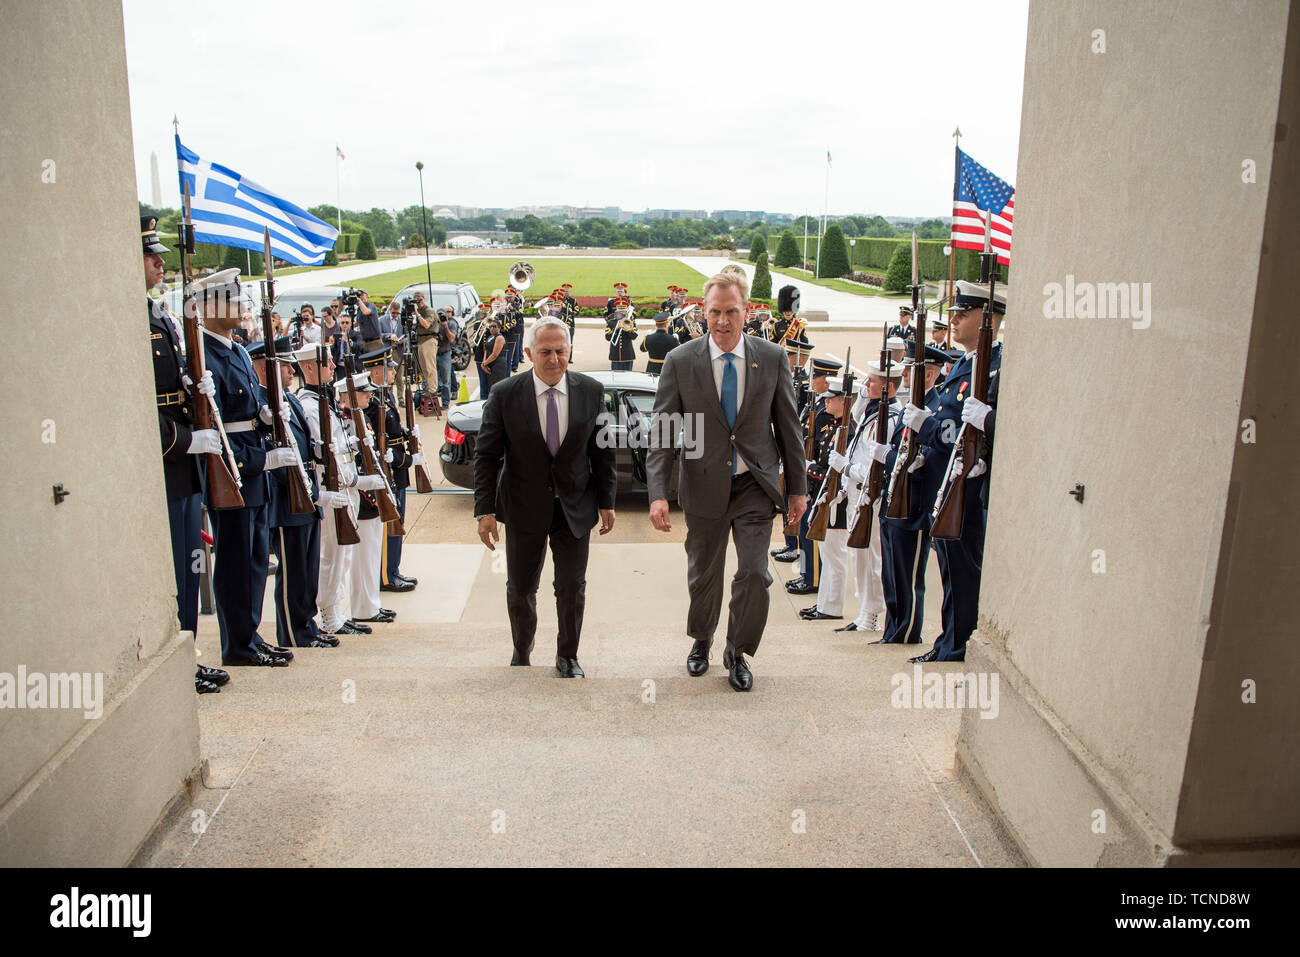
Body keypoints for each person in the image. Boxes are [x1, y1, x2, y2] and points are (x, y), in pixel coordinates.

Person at [646, 270, 807, 692]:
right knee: (704, 575)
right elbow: (663, 432)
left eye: (731, 312)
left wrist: (798, 490)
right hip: (702, 484)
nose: (722, 321)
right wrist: (658, 494)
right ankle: (702, 638)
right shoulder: (681, 361)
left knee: (755, 574)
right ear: (704, 311)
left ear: (747, 311)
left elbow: (789, 428)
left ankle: (737, 652)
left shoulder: (772, 357)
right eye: (714, 312)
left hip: (755, 483)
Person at [473, 317, 617, 677]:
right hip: (523, 508)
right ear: (528, 353)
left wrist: (607, 501)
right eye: (545, 352)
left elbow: (603, 451)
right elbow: (486, 456)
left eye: (560, 351)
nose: (554, 359)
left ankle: (568, 656)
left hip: (575, 507)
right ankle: (522, 648)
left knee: (571, 588)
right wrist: (484, 511)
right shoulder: (505, 394)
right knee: (521, 589)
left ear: (570, 351)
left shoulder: (591, 390)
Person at [142, 217, 229, 694]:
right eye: (151, 256)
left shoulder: (160, 314)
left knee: (189, 565)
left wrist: (194, 389)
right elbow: (134, 402)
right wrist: (183, 439)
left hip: (183, 466)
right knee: (176, 567)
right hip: (168, 458)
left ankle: (188, 657)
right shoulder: (131, 318)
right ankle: (177, 666)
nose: (160, 263)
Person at [195, 269, 292, 668]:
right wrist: (255, 459)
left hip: (253, 469)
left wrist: (266, 420)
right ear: (212, 307)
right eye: (233, 301)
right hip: (235, 472)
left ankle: (250, 634)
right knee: (235, 562)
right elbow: (213, 422)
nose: (241, 308)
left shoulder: (234, 348)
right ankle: (237, 645)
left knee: (254, 558)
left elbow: (244, 410)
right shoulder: (204, 353)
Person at [906, 279, 1005, 663]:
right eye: (954, 314)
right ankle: (948, 640)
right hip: (947, 480)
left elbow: (953, 431)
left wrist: (927, 427)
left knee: (964, 569)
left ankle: (959, 643)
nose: (955, 320)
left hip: (971, 482)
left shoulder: (998, 366)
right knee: (949, 566)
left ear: (989, 319)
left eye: (964, 314)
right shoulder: (962, 363)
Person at [248, 338, 338, 649]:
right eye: (285, 366)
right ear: (265, 368)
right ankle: (292, 631)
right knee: (293, 571)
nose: (291, 371)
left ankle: (307, 626)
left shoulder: (291, 400)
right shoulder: (262, 402)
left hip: (305, 494)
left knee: (307, 569)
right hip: (287, 500)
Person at [873, 342, 950, 645]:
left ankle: (906, 633)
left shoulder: (936, 408)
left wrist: (888, 458)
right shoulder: (911, 409)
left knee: (908, 579)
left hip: (914, 506)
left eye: (910, 370)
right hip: (895, 503)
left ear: (929, 375)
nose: (903, 374)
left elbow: (926, 461)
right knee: (892, 576)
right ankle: (893, 630)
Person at [295, 346, 371, 638]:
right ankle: (328, 615)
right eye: (324, 362)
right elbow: (320, 449)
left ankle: (337, 612)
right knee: (331, 555)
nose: (331, 366)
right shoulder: (309, 405)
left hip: (343, 483)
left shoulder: (322, 401)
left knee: (344, 554)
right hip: (330, 487)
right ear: (309, 368)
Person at [832, 361, 903, 631]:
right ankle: (864, 612)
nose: (866, 385)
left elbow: (875, 466)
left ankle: (872, 614)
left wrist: (847, 468)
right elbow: (858, 409)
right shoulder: (874, 412)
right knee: (859, 557)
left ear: (887, 387)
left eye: (872, 381)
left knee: (871, 558)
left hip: (869, 496)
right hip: (856, 493)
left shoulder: (890, 418)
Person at [799, 374, 856, 621]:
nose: (826, 404)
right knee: (826, 555)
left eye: (831, 399)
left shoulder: (849, 431)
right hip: (824, 497)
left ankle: (832, 607)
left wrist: (810, 468)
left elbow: (838, 474)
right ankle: (823, 603)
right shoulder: (833, 425)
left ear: (843, 402)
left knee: (834, 557)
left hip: (837, 502)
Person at [785, 356, 840, 596]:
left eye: (815, 376)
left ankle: (813, 577)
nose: (811, 379)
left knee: (811, 530)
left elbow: (821, 448)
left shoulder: (826, 413)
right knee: (806, 529)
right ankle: (808, 573)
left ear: (827, 381)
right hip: (807, 473)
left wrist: (809, 468)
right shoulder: (814, 404)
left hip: (815, 478)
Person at [476, 316, 509, 396]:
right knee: (490, 387)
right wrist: (484, 362)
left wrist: (484, 364)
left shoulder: (500, 338)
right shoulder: (490, 337)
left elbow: (494, 354)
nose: (492, 328)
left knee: (497, 388)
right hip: (490, 364)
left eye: (494, 326)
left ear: (499, 328)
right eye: (490, 326)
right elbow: (486, 349)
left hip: (498, 365)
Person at [605, 296, 637, 370]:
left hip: (628, 356)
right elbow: (607, 337)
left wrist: (627, 328)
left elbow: (634, 336)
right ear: (616, 311)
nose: (622, 313)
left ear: (626, 311)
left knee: (628, 377)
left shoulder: (630, 321)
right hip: (615, 355)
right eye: (620, 311)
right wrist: (616, 328)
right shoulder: (611, 321)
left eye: (623, 311)